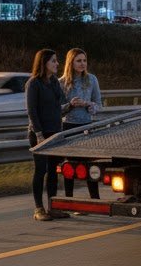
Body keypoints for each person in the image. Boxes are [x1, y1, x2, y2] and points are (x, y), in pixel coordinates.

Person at [25, 48, 70, 221]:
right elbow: (32, 111)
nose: (57, 64)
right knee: (40, 170)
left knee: (53, 170)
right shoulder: (33, 83)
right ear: (44, 63)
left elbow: (61, 103)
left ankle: (52, 207)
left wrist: (72, 105)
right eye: (53, 61)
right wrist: (38, 134)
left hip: (55, 131)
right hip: (39, 134)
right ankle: (38, 209)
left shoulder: (54, 82)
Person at [60, 47, 103, 199]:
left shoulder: (92, 79)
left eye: (84, 60)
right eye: (78, 61)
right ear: (71, 63)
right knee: (70, 166)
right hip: (69, 127)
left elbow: (98, 104)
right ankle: (69, 198)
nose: (82, 64)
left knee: (90, 165)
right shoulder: (62, 82)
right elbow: (57, 110)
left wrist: (88, 105)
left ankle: (95, 198)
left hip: (87, 126)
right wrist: (70, 104)